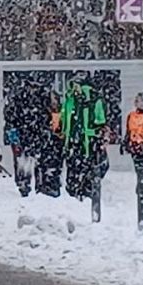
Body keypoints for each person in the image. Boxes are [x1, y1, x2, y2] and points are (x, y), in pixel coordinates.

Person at [60, 73, 109, 201]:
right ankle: (81, 194)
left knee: (79, 171)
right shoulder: (72, 99)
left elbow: (100, 121)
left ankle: (80, 194)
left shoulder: (80, 99)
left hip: (81, 142)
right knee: (82, 171)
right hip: (81, 142)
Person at [122, 94, 143, 223]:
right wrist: (126, 143)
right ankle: (141, 188)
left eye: (140, 101)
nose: (137, 103)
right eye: (136, 101)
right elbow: (128, 131)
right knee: (139, 169)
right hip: (135, 146)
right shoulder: (131, 115)